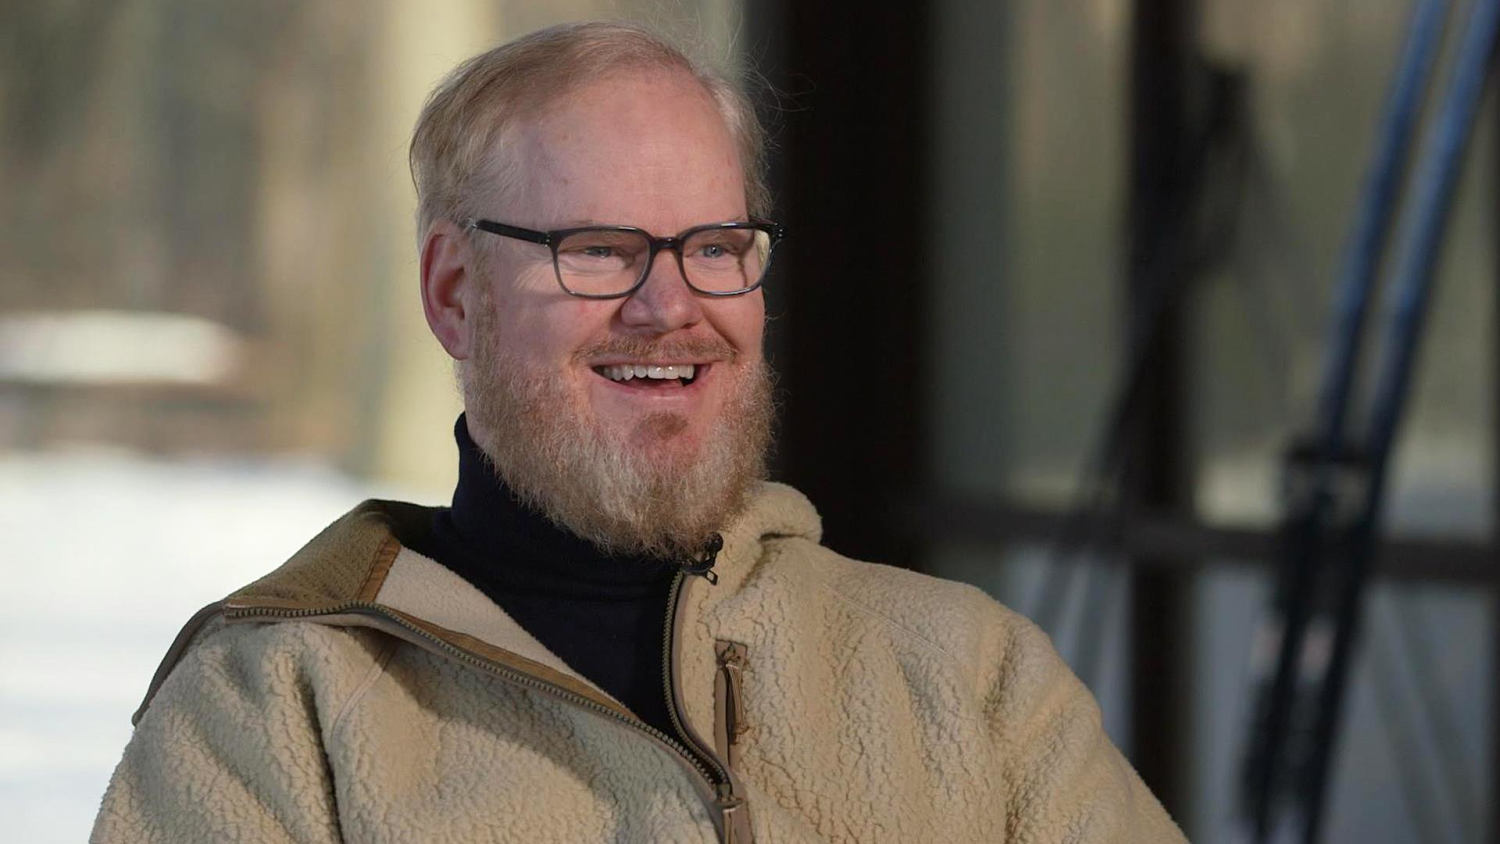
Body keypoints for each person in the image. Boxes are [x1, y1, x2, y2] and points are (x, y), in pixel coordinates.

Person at [92, 21, 1184, 843]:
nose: (672, 306)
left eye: (715, 245)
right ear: (455, 292)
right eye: (600, 249)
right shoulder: (277, 707)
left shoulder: (967, 675)